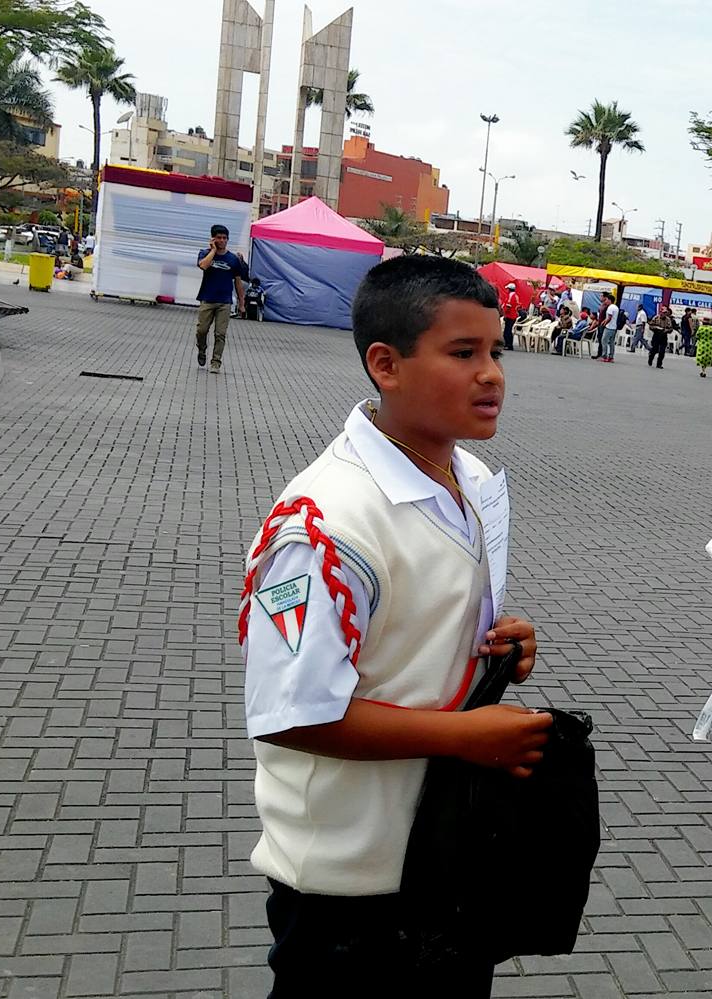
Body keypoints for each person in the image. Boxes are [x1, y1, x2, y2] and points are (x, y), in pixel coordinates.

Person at [241, 255, 549, 997]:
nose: (493, 375)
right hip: (348, 898)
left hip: (446, 857)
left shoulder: (468, 481)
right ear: (386, 363)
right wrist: (466, 739)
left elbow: (422, 630)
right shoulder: (323, 526)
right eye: (463, 353)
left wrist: (502, 649)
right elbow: (289, 714)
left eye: (497, 352)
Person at [195, 225, 248, 373]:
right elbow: (203, 266)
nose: (222, 240)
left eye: (225, 238)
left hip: (224, 302)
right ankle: (202, 349)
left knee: (220, 333)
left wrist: (242, 304)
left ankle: (216, 362)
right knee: (202, 330)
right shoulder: (204, 254)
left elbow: (238, 282)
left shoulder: (233, 259)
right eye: (219, 238)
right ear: (213, 238)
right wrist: (212, 251)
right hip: (207, 298)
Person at [595, 291, 621, 363]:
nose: (605, 301)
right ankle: (611, 357)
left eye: (606, 299)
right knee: (612, 343)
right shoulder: (616, 307)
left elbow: (609, 317)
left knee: (604, 341)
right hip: (614, 327)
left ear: (609, 300)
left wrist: (604, 323)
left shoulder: (610, 307)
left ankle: (604, 356)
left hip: (609, 327)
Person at [647, 305, 673, 369]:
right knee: (654, 350)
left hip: (664, 336)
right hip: (656, 335)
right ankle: (651, 358)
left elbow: (671, 328)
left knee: (662, 351)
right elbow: (650, 326)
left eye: (665, 313)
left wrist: (667, 330)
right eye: (663, 312)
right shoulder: (656, 318)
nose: (664, 314)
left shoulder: (668, 319)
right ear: (660, 312)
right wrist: (657, 328)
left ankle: (659, 364)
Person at [500, 282, 521, 351]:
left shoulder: (511, 296)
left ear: (509, 289)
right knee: (508, 330)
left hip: (510, 315)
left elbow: (508, 306)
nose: (506, 290)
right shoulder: (515, 295)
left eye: (507, 289)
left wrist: (505, 314)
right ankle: (508, 344)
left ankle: (508, 345)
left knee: (507, 331)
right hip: (513, 315)